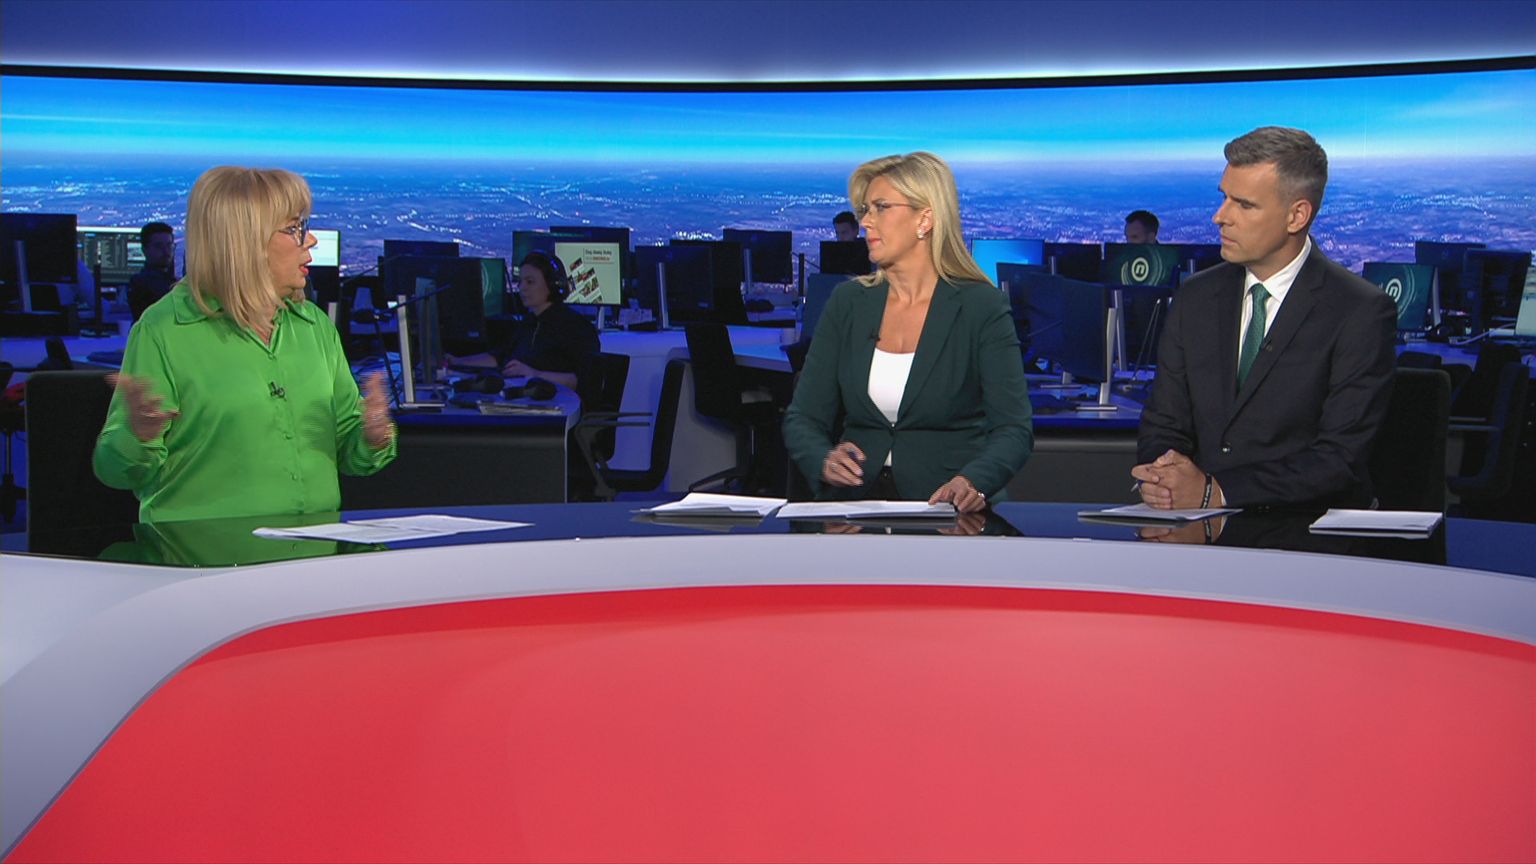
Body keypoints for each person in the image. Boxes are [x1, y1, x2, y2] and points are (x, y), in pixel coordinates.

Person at [94, 166, 397, 523]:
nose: (311, 240)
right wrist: (138, 436)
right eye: (294, 229)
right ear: (243, 242)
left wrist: (374, 435)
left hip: (312, 549)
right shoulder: (164, 331)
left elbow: (350, 451)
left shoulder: (314, 326)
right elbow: (115, 473)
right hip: (201, 552)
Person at [1133, 126, 1396, 510]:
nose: (1220, 217)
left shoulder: (1359, 311)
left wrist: (1215, 491)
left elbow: (1338, 458)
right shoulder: (1195, 297)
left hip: (1303, 531)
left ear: (1297, 216)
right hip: (1193, 527)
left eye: (1244, 205)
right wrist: (1163, 476)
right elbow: (1163, 422)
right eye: (1224, 198)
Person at [783, 152, 1033, 513]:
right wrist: (823, 459)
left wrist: (973, 481)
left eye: (881, 208)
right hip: (854, 506)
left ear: (925, 219)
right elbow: (803, 417)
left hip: (947, 509)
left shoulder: (981, 307)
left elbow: (1014, 429)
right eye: (865, 210)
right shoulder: (848, 302)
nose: (866, 222)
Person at [451, 250, 599, 394]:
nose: (522, 288)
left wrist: (534, 374)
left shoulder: (577, 328)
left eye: (530, 282)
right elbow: (499, 358)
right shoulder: (528, 324)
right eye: (520, 282)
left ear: (553, 285)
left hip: (558, 404)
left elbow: (582, 381)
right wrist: (456, 361)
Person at [126, 221, 178, 321]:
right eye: (159, 246)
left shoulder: (171, 280)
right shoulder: (142, 283)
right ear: (144, 250)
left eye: (169, 245)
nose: (166, 251)